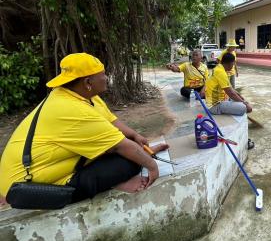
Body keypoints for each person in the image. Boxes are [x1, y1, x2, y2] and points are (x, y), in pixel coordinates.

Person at [0, 53, 166, 206]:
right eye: (103, 74)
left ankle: (118, 176)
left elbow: (112, 122)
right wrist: (151, 165)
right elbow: (120, 146)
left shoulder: (79, 94)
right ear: (88, 82)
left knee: (130, 149)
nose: (107, 78)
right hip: (27, 186)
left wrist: (136, 138)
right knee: (129, 162)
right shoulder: (71, 110)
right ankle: (117, 182)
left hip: (48, 167)